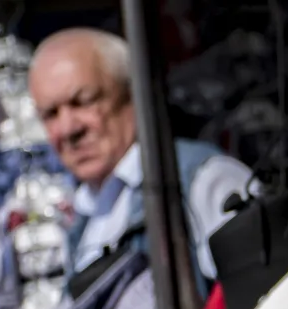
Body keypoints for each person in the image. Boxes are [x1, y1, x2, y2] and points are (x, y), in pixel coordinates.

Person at [29, 27, 251, 290]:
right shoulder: (84, 217)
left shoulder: (202, 181)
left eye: (84, 101)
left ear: (132, 94)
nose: (68, 129)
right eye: (51, 114)